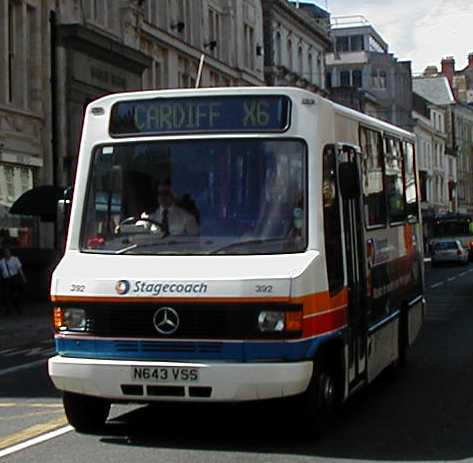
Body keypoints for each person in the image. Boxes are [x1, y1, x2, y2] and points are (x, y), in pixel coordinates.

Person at [0, 247, 26, 316]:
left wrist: (23, 277)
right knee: (6, 295)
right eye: (5, 252)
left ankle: (17, 308)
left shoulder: (15, 259)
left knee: (15, 295)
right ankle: (8, 310)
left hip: (14, 278)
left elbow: (19, 269)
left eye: (7, 252)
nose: (6, 253)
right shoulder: (2, 261)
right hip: (6, 279)